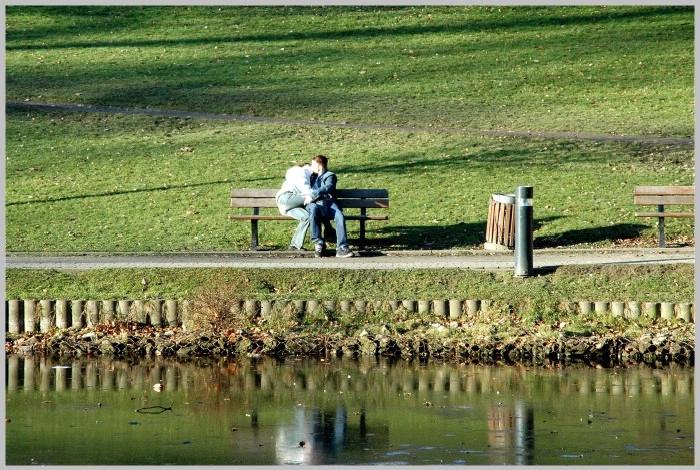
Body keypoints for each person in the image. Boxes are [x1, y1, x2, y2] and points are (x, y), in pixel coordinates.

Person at [276, 164, 335, 250]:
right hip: (287, 198)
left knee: (306, 217)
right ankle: (327, 230)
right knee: (317, 199)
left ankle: (295, 245)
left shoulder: (306, 176)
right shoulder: (300, 171)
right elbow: (306, 190)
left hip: (290, 205)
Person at [305, 155, 354, 258]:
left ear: (319, 165)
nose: (311, 166)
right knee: (313, 209)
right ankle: (318, 243)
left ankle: (342, 247)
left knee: (340, 216)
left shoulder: (330, 176)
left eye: (313, 164)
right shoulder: (311, 176)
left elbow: (329, 187)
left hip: (329, 204)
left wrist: (313, 193)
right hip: (315, 204)